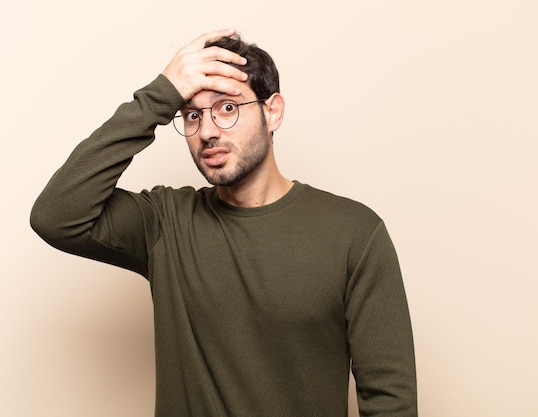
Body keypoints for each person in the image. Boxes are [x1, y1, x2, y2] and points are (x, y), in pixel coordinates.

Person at [30, 28, 417, 417]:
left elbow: (391, 401)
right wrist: (159, 96)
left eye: (227, 108)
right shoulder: (166, 223)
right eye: (192, 114)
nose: (208, 131)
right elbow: (57, 216)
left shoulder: (354, 234)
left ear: (273, 111)